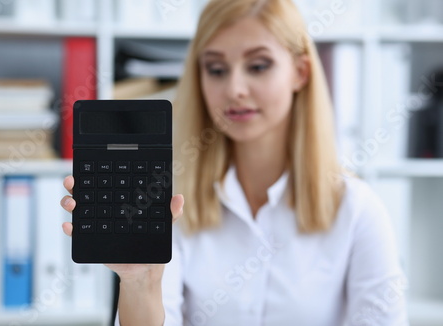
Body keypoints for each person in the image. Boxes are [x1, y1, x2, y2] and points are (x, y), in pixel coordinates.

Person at [61, 0, 408, 325]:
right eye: (216, 69)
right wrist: (139, 281)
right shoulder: (171, 204)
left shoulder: (357, 209)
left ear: (300, 73)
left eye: (258, 66)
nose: (235, 88)